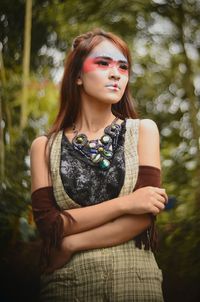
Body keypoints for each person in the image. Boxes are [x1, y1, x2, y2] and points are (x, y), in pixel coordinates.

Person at [30, 28, 168, 302]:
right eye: (103, 63)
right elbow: (49, 225)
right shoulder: (43, 147)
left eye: (123, 67)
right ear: (78, 75)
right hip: (67, 286)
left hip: (137, 285)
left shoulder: (143, 132)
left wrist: (71, 242)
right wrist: (126, 203)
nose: (116, 73)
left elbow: (144, 215)